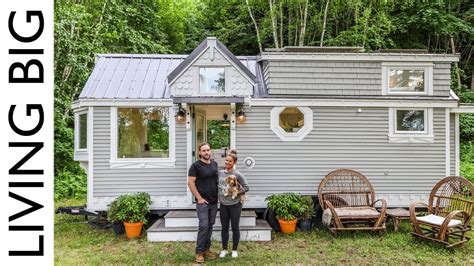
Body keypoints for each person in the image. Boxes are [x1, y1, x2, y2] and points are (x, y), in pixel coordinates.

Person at [187, 143, 219, 263]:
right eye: (204, 150)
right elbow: (190, 183)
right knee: (204, 226)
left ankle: (206, 249)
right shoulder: (195, 166)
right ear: (200, 152)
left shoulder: (214, 164)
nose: (206, 152)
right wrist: (199, 198)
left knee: (210, 225)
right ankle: (199, 252)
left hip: (214, 201)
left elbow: (216, 181)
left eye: (208, 150)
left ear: (210, 151)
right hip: (203, 202)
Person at [218, 149, 249, 259]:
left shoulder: (237, 174)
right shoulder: (220, 173)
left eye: (230, 161)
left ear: (234, 162)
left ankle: (234, 250)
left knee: (235, 227)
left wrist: (236, 193)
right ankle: (224, 249)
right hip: (223, 205)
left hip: (235, 205)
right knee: (224, 228)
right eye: (226, 160)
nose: (227, 162)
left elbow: (246, 187)